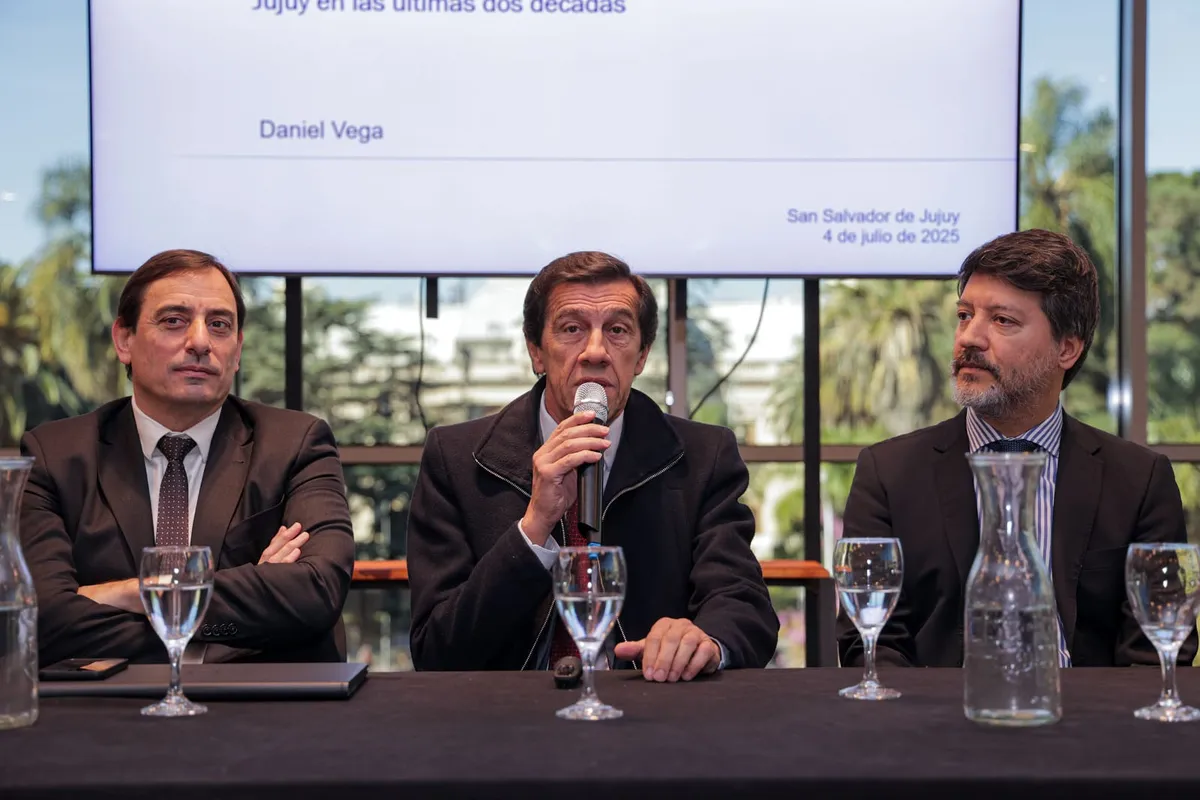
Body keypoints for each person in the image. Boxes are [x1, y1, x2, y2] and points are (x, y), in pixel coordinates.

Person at [407, 251, 778, 680]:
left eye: (617, 331)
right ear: (536, 351)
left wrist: (706, 640)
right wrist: (533, 528)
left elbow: (744, 605)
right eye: (572, 329)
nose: (596, 352)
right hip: (507, 708)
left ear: (641, 355)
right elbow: (436, 650)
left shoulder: (702, 456)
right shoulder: (456, 458)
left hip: (649, 698)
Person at [838, 228, 1197, 668]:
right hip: (936, 708)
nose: (970, 337)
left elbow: (1158, 652)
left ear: (1067, 348)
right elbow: (869, 645)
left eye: (1002, 321)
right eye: (965, 315)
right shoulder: (889, 473)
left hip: (1088, 709)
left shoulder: (1139, 480)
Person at [20, 249, 355, 665]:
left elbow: (316, 592)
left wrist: (133, 591)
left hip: (262, 698)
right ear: (124, 340)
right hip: (113, 699)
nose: (199, 342)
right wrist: (246, 611)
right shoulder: (55, 456)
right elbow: (44, 619)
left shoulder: (295, 444)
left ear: (237, 350)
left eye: (219, 325)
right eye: (173, 321)